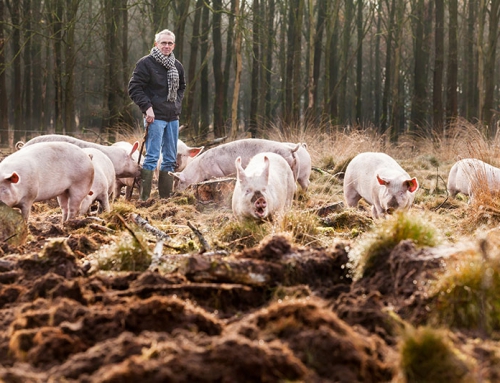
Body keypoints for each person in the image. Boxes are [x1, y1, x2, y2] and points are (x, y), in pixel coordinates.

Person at [128, 29, 186, 200]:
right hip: (155, 117)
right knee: (152, 157)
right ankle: (144, 199)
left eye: (169, 43)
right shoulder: (146, 63)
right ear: (156, 44)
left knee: (169, 158)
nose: (166, 46)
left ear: (173, 45)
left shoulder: (177, 66)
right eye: (163, 43)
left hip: (172, 117)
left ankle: (164, 199)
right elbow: (134, 88)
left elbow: (182, 87)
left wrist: (177, 103)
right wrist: (147, 108)